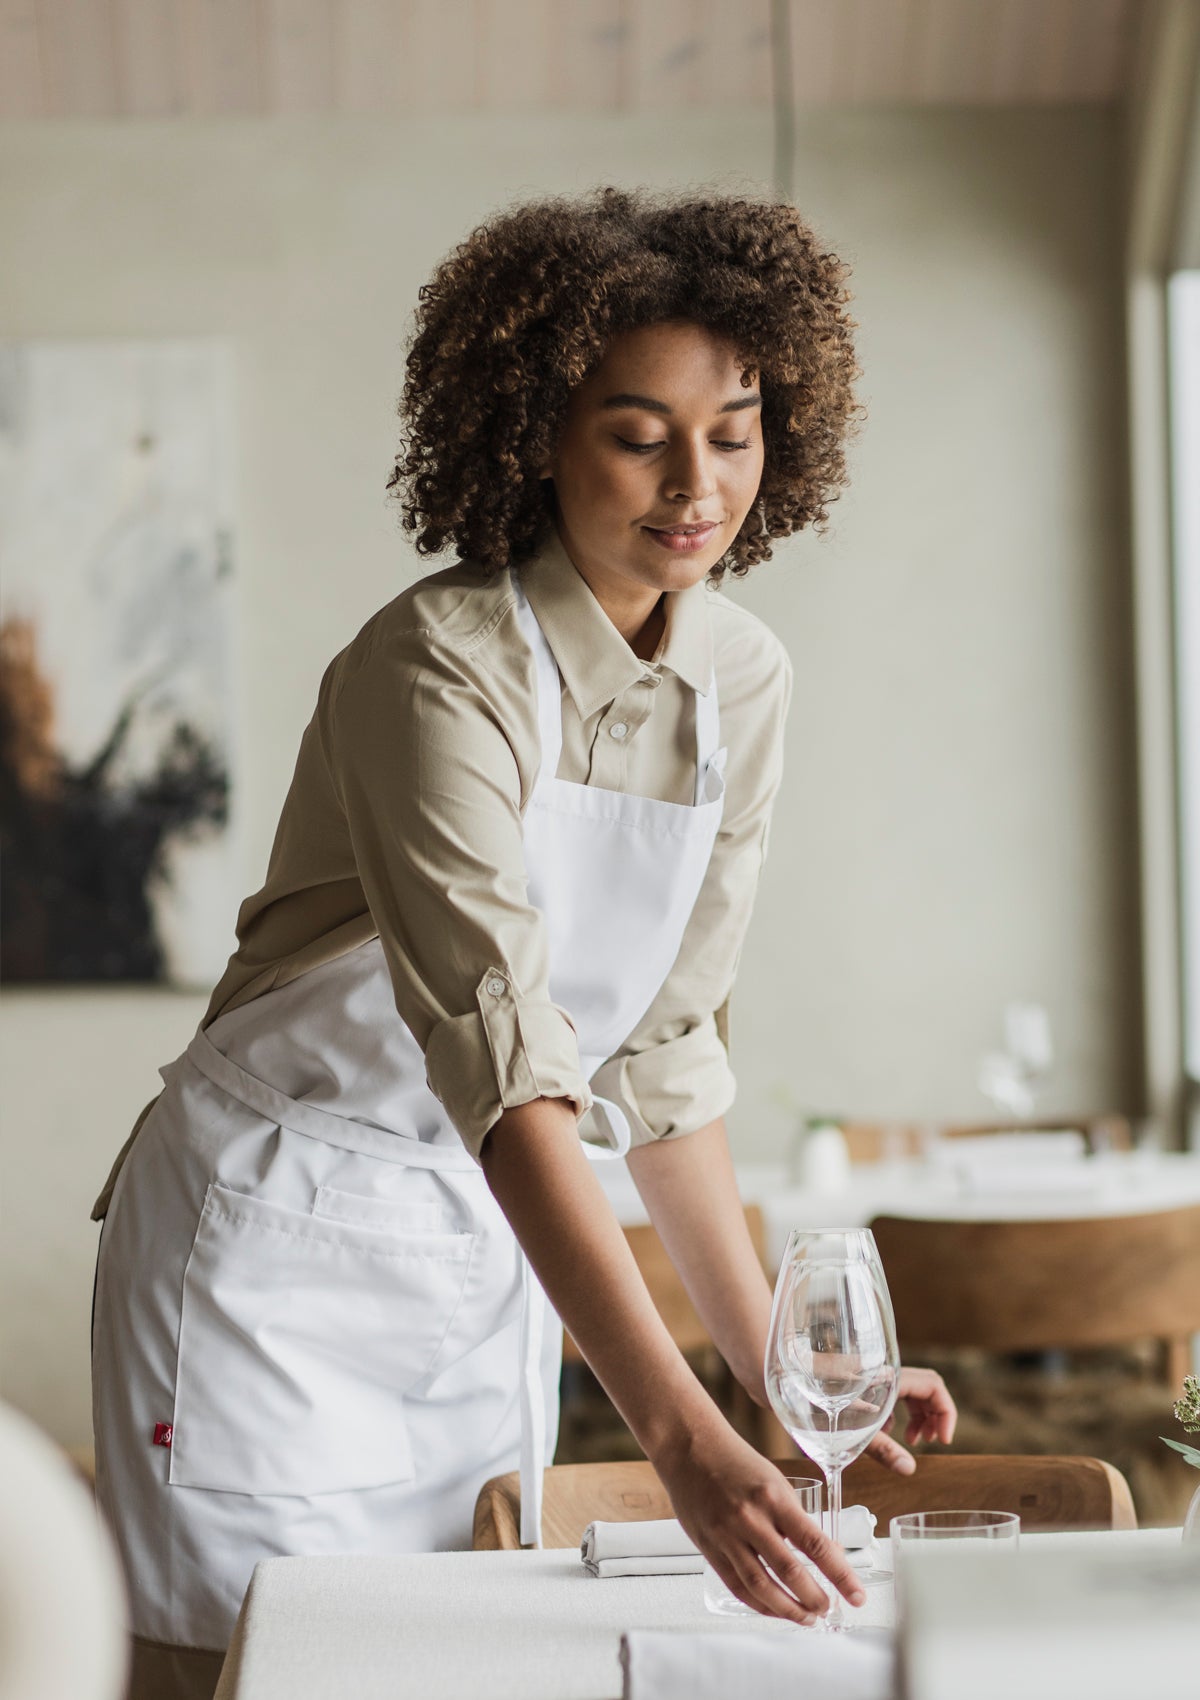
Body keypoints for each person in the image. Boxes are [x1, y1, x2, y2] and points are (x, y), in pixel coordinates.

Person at [90, 186, 956, 1700]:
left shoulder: (742, 682)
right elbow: (506, 1070)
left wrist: (776, 1373)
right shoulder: (435, 672)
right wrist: (679, 1432)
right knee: (236, 1672)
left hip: (489, 1254)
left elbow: (663, 1057)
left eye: (737, 429)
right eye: (639, 433)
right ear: (534, 432)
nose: (699, 483)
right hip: (268, 1258)